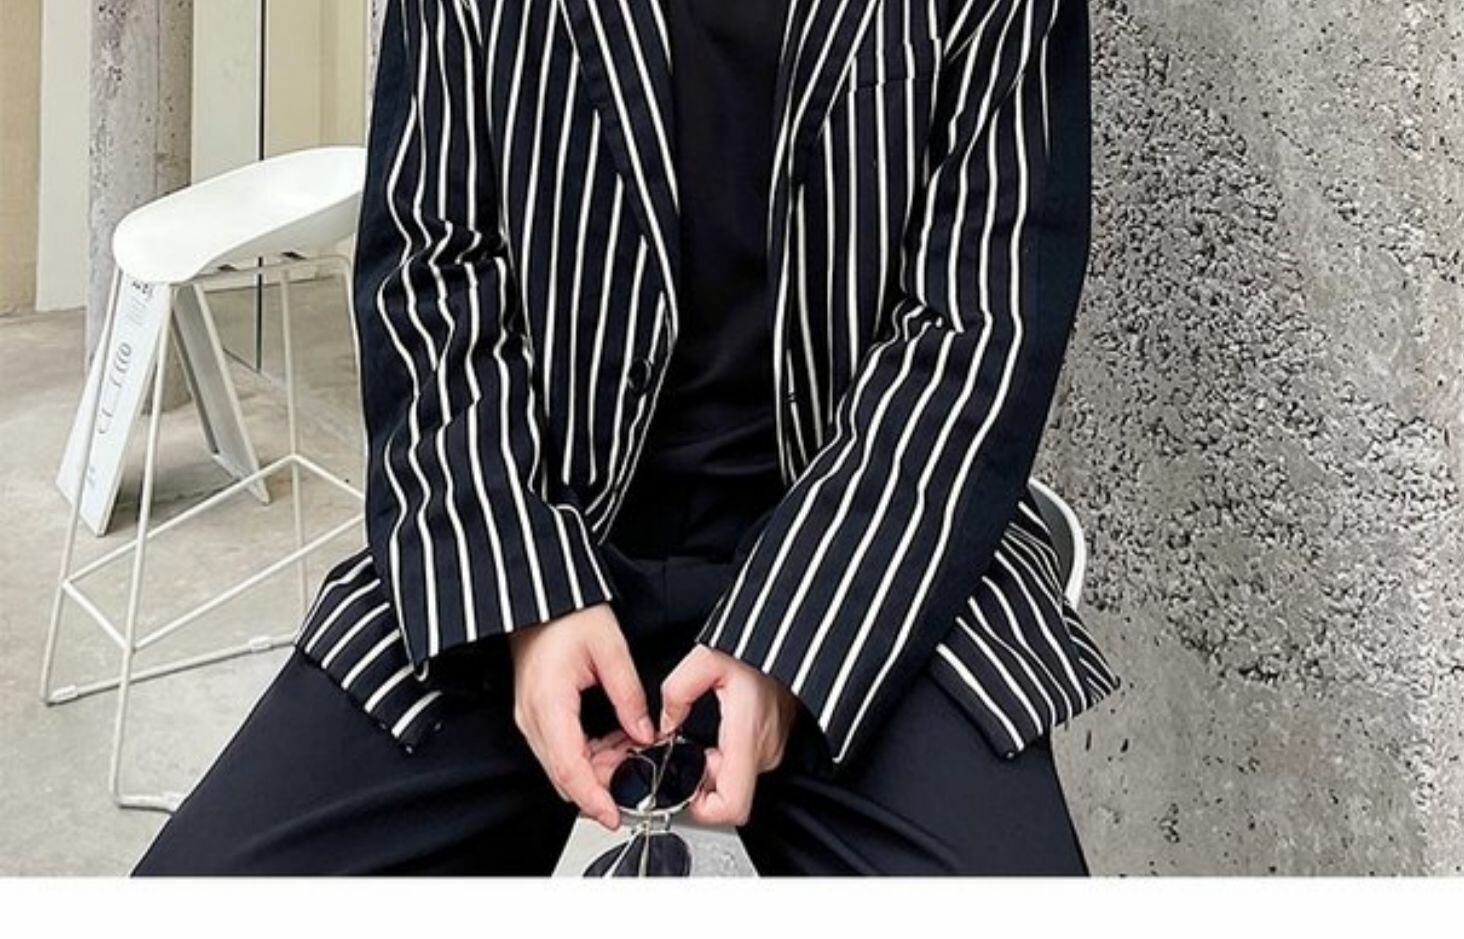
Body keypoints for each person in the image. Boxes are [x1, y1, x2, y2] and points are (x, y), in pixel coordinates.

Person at [135, 0, 1119, 876]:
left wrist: (794, 640)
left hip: (867, 558)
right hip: (523, 528)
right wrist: (523, 596)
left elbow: (980, 329)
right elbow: (429, 271)